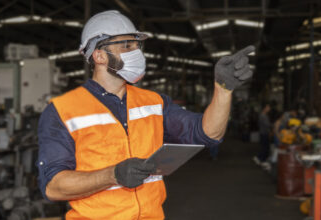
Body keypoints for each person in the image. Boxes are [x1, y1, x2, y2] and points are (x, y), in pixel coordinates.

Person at [36, 10, 255, 219]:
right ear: (100, 55)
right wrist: (113, 175)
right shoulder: (62, 110)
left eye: (137, 45)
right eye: (127, 45)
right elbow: (54, 187)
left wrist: (223, 89)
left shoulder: (154, 103)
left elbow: (208, 133)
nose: (137, 52)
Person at [253, 103, 271, 170]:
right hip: (264, 133)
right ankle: (260, 159)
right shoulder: (263, 116)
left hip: (263, 133)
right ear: (265, 108)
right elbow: (267, 125)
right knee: (265, 147)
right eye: (268, 107)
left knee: (265, 147)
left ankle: (260, 158)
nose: (269, 109)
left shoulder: (264, 115)